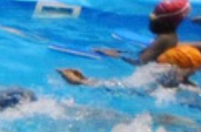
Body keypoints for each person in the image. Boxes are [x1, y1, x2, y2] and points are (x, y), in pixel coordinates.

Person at [89, 0, 188, 67]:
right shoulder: (170, 36)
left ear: (166, 22)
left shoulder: (164, 39)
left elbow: (141, 63)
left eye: (153, 18)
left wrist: (118, 57)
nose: (149, 20)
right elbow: (144, 54)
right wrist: (122, 52)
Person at [58, 44, 200, 90]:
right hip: (141, 92)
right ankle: (79, 81)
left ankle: (82, 80)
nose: (195, 73)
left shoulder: (156, 68)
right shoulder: (165, 76)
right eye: (194, 70)